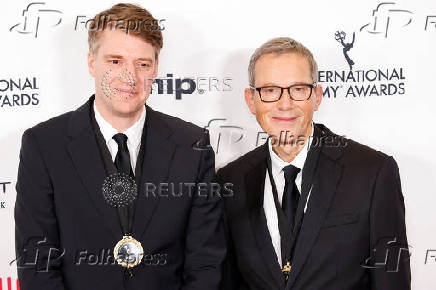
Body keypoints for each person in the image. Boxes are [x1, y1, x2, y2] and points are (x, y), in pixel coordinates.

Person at [14, 3, 225, 290]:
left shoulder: (192, 145)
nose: (129, 77)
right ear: (92, 63)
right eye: (115, 61)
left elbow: (205, 263)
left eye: (142, 64)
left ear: (156, 68)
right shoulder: (43, 145)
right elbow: (37, 263)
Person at [218, 37, 410, 290]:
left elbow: (391, 278)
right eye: (270, 90)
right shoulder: (230, 181)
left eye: (298, 89)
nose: (284, 104)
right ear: (251, 100)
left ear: (317, 97)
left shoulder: (372, 173)